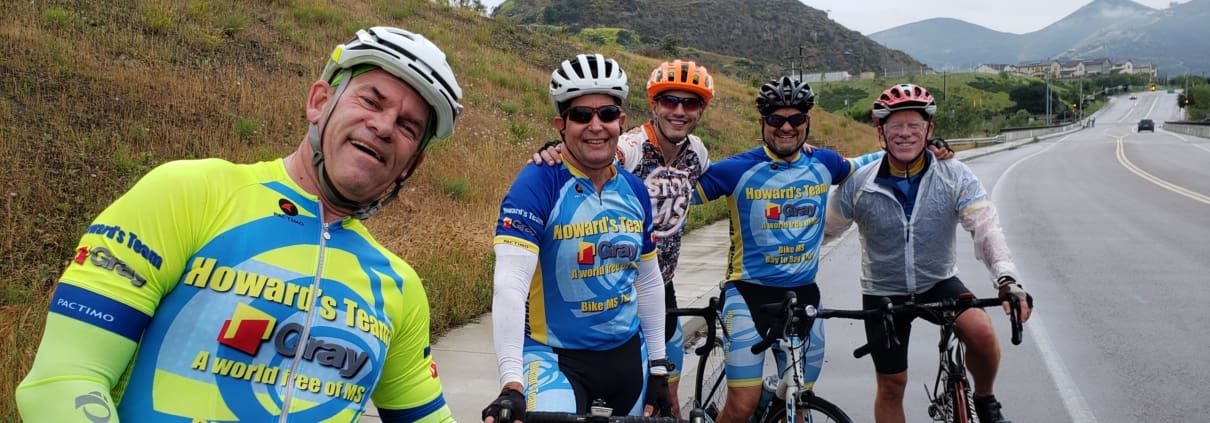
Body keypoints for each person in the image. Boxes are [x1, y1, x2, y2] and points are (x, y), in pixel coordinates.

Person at [15, 26, 462, 422]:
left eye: (407, 125)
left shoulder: (399, 287)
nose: (384, 126)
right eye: (371, 100)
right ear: (320, 102)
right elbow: (62, 381)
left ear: (413, 162)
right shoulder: (190, 194)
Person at [824, 83, 1033, 423]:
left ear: (929, 130)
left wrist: (1007, 278)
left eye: (914, 126)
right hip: (883, 291)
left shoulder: (954, 174)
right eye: (896, 126)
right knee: (891, 386)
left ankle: (984, 398)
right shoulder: (860, 183)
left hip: (938, 281)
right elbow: (824, 233)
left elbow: (985, 226)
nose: (905, 134)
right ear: (881, 130)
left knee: (981, 332)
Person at [481, 54, 672, 422]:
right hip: (554, 358)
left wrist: (660, 368)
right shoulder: (537, 183)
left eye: (608, 114)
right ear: (561, 124)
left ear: (622, 121)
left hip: (627, 358)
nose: (596, 126)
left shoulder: (634, 190)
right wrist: (511, 384)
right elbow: (510, 284)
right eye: (582, 115)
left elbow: (647, 281)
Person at [693, 76, 884, 423]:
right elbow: (675, 196)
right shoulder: (736, 169)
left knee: (799, 398)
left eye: (796, 119)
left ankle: (772, 398)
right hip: (747, 295)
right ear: (762, 123)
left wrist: (922, 150)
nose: (786, 127)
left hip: (804, 296)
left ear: (807, 123)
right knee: (741, 405)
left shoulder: (824, 163)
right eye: (776, 120)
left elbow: (867, 163)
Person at [530, 59, 716, 416]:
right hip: (617, 293)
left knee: (665, 400)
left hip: (663, 285)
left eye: (690, 103)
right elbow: (595, 153)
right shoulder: (631, 147)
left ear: (700, 110)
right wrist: (555, 148)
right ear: (653, 105)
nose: (678, 111)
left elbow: (709, 182)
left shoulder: (697, 153)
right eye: (669, 101)